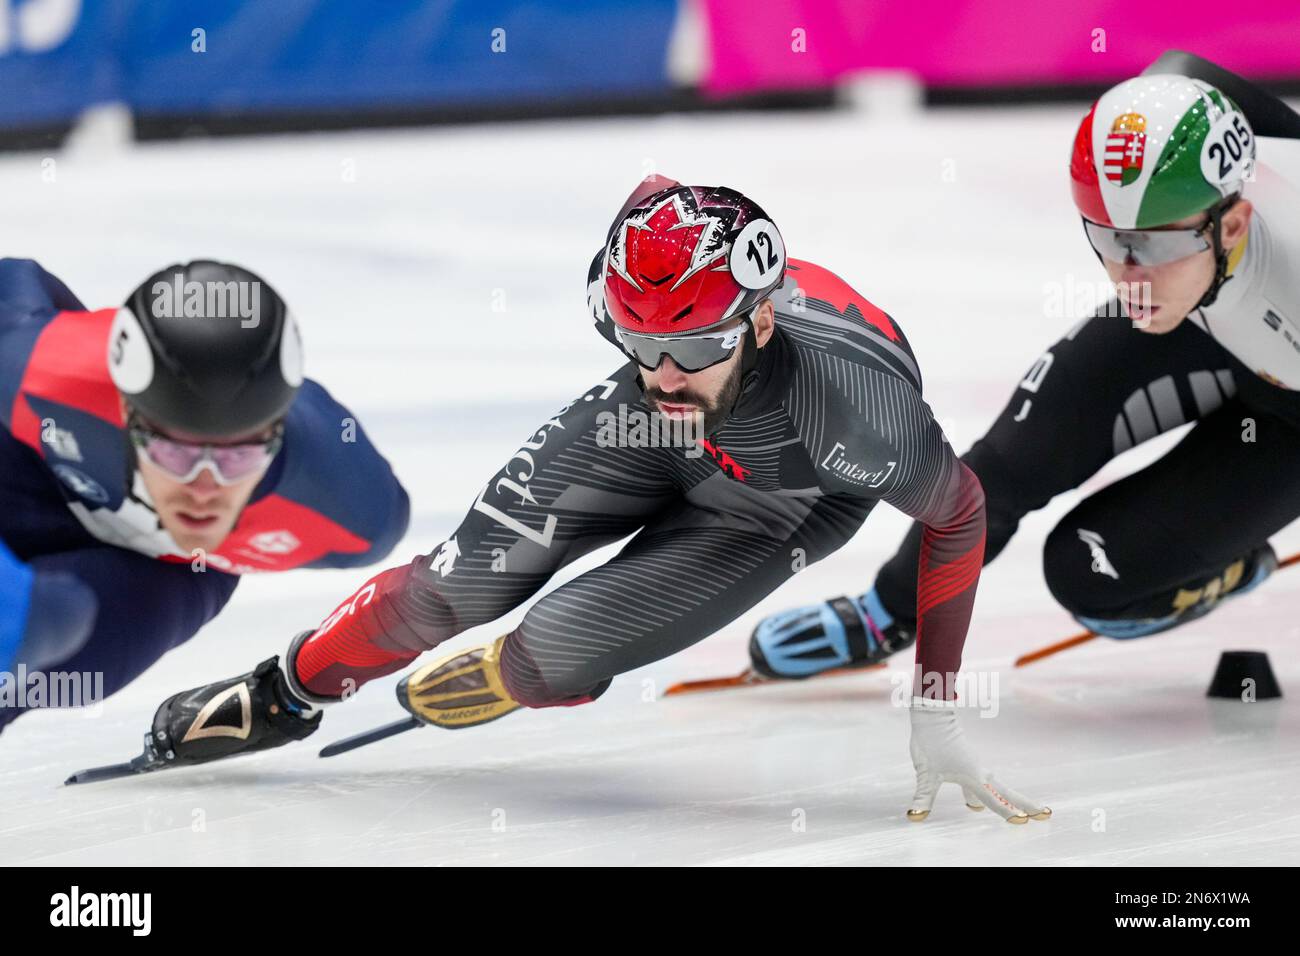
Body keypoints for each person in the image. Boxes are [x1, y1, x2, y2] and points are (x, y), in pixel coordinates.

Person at [146, 181, 1046, 824]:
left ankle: (538, 671)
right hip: (655, 447)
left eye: (693, 350)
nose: (662, 375)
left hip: (786, 499)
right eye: (636, 341)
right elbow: (660, 206)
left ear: (761, 322)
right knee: (447, 593)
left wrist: (935, 708)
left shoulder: (854, 415)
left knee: (544, 660)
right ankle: (283, 690)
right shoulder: (661, 366)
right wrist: (676, 355)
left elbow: (958, 515)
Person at [752, 71, 1300, 680]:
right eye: (1111, 240)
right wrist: (1166, 254)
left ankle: (1232, 561)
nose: (1129, 278)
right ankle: (886, 614)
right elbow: (1183, 71)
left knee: (1088, 577)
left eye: (1155, 248)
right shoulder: (1175, 146)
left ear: (1232, 224)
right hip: (1199, 316)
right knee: (999, 474)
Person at [0, 259, 409, 731]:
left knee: (46, 666)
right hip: (30, 476)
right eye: (174, 453)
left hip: (170, 570)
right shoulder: (41, 368)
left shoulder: (349, 516)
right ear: (127, 412)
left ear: (277, 433)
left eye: (239, 458)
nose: (204, 489)